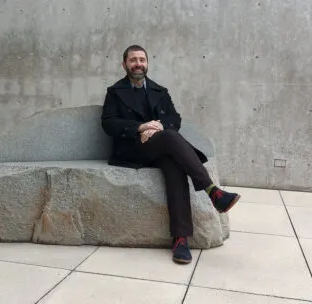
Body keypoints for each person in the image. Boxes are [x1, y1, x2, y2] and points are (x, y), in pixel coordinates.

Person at [101, 45, 240, 264]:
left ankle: (180, 239)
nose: (138, 64)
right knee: (168, 137)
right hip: (132, 150)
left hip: (160, 147)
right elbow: (109, 124)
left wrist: (156, 126)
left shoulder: (160, 91)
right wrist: (141, 127)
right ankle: (212, 191)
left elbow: (175, 120)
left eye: (142, 60)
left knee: (174, 166)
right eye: (133, 60)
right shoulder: (115, 92)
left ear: (147, 63)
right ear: (124, 64)